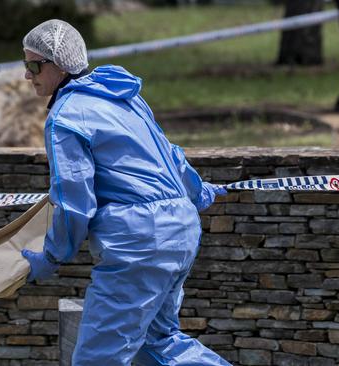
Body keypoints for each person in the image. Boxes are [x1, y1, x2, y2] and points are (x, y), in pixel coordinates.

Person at [20, 19, 231, 366]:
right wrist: (196, 191)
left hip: (137, 244)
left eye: (33, 65)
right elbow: (170, 153)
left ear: (57, 66)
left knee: (96, 359)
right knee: (158, 344)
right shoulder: (121, 95)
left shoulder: (65, 117)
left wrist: (52, 256)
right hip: (181, 230)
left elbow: (74, 202)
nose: (28, 75)